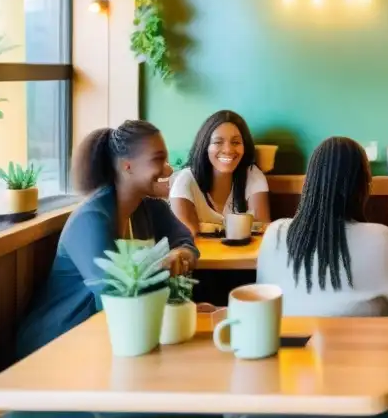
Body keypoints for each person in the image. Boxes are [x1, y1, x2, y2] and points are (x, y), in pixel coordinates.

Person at [257, 136, 388, 418]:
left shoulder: (275, 233)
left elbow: (267, 304)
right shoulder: (381, 238)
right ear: (362, 186)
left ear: (309, 183)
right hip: (369, 383)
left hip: (289, 380)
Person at [16, 120, 198, 358]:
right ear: (127, 166)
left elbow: (186, 242)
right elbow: (113, 297)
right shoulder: (91, 219)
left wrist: (181, 255)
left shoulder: (152, 209)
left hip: (116, 338)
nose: (168, 170)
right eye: (158, 160)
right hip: (58, 344)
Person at [169, 110, 270, 235]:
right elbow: (184, 237)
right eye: (218, 142)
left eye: (236, 142)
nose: (228, 150)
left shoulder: (252, 174)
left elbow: (261, 229)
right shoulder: (185, 179)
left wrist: (205, 228)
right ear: (205, 146)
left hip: (244, 254)